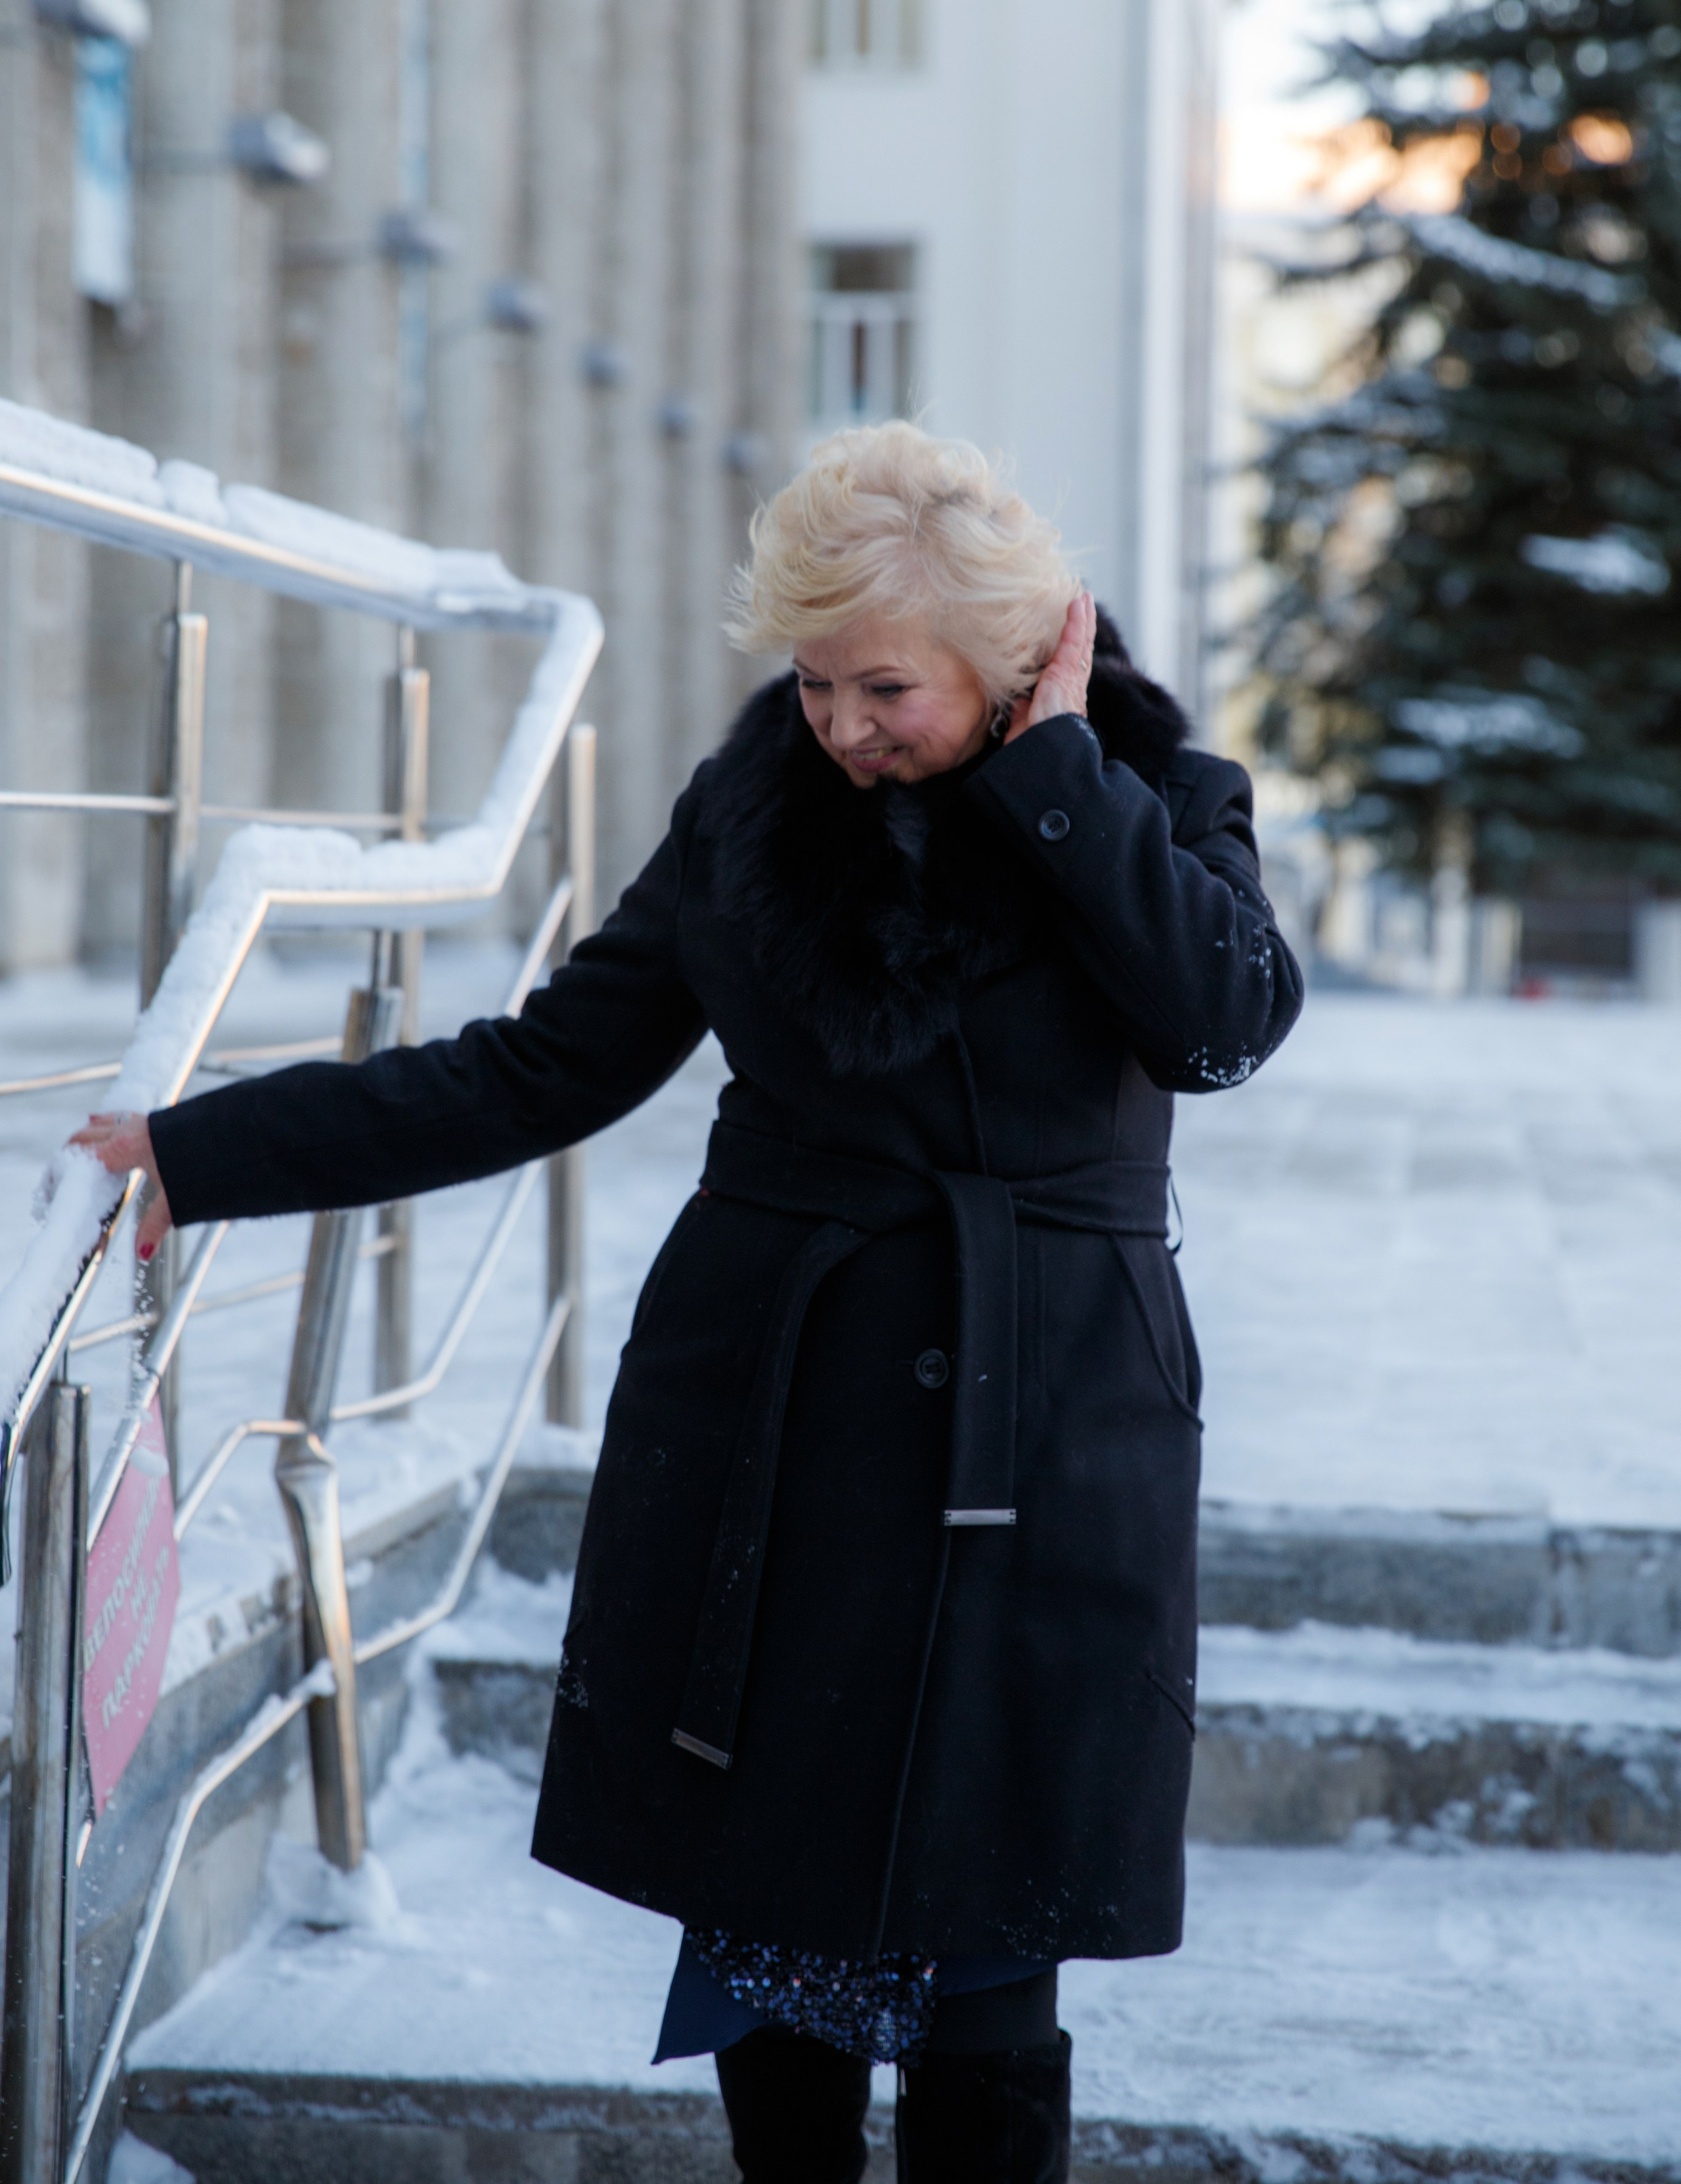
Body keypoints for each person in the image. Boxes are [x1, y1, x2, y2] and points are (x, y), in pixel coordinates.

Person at [74, 424, 1304, 2183]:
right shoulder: (755, 827)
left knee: (995, 1965)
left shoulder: (1160, 804)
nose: (841, 728)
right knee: (776, 1942)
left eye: (885, 686)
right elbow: (537, 1069)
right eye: (810, 683)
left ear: (1031, 660)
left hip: (1053, 1433)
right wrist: (199, 1154)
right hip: (782, 1427)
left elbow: (1222, 1022)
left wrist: (1058, 782)